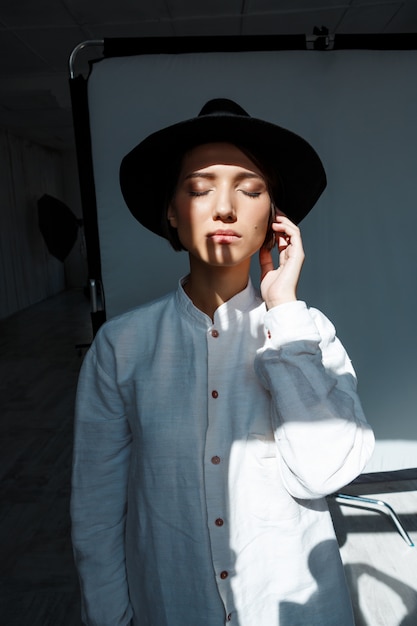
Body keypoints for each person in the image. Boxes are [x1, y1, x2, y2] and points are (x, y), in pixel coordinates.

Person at [71, 98, 375, 626]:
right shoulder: (123, 346)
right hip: (171, 600)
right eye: (199, 188)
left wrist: (283, 310)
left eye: (250, 189)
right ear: (171, 210)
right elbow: (97, 507)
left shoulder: (308, 333)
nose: (226, 208)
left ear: (275, 216)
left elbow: (325, 472)